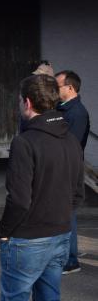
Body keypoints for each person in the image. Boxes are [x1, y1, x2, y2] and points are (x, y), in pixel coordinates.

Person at [0, 74, 83, 301]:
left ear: (28, 102)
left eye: (21, 100)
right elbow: (78, 194)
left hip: (27, 240)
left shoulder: (25, 141)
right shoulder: (71, 139)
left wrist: (4, 232)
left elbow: (19, 200)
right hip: (59, 236)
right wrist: (59, 219)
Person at [56, 70, 90, 274]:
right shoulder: (62, 109)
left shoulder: (77, 113)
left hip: (68, 169)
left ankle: (71, 259)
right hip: (61, 167)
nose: (54, 89)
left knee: (68, 213)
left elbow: (73, 145)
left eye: (58, 85)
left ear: (70, 88)